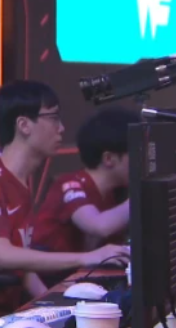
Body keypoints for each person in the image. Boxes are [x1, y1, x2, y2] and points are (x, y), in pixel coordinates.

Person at [0, 81, 130, 328]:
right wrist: (88, 257)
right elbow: (4, 256)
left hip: (14, 315)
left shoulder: (21, 182)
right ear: (24, 125)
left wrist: (55, 307)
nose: (62, 128)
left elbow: (24, 270)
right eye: (53, 117)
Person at [32, 106, 139, 257]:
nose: (142, 161)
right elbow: (98, 226)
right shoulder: (70, 184)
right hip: (50, 271)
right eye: (136, 153)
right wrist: (143, 195)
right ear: (109, 159)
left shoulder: (113, 195)